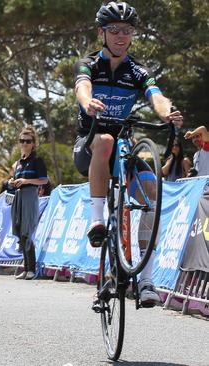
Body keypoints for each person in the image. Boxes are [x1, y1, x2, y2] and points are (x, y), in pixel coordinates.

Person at [72, 2, 183, 306]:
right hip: (91, 143)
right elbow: (82, 88)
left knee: (150, 193)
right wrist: (88, 102)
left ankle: (146, 280)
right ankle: (97, 220)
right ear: (102, 33)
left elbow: (157, 97)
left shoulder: (137, 71)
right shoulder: (89, 64)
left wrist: (167, 113)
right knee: (106, 139)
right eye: (115, 30)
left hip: (123, 147)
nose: (122, 36)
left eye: (128, 31)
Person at [7, 127, 48, 280]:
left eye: (28, 141)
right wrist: (12, 181)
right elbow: (13, 179)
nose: (24, 144)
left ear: (33, 143)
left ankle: (32, 268)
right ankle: (26, 268)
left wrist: (26, 181)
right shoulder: (17, 163)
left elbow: (44, 180)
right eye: (22, 141)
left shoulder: (37, 160)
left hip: (30, 195)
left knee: (27, 232)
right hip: (18, 196)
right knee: (20, 231)